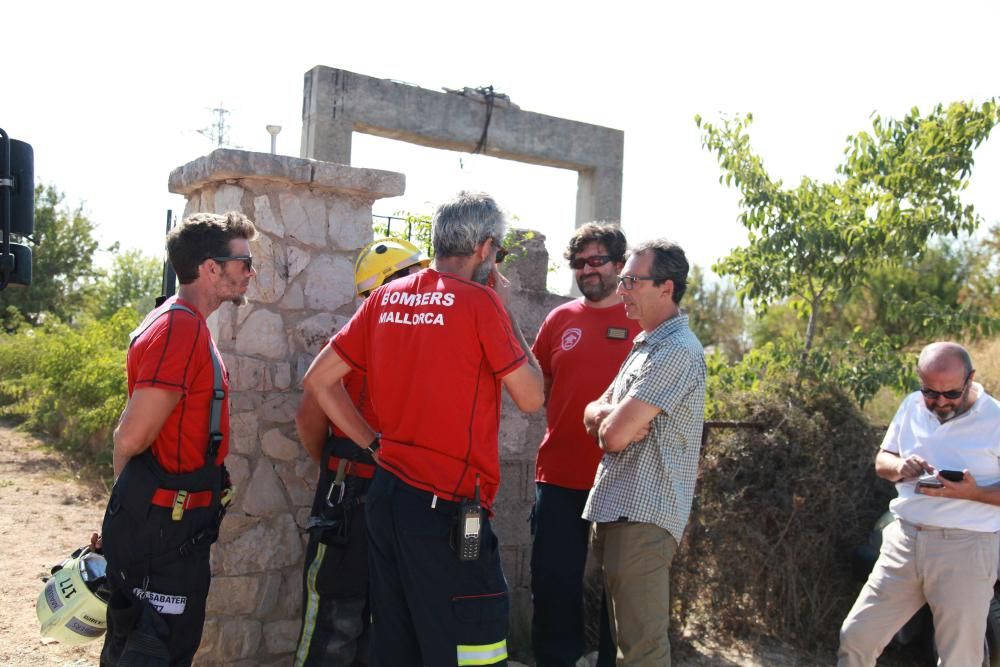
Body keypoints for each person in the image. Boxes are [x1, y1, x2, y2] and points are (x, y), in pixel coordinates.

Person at [302, 190, 544, 667]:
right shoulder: (481, 303)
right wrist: (506, 310)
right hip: (450, 509)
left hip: (387, 497)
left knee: (398, 643)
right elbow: (532, 395)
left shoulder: (385, 298)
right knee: (473, 643)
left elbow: (318, 381)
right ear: (485, 248)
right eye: (498, 252)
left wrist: (371, 443)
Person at [98, 211, 257, 666]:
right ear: (211, 268)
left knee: (149, 644)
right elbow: (129, 437)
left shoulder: (180, 322)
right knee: (153, 650)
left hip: (172, 525)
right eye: (243, 263)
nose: (250, 272)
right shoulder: (180, 328)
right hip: (163, 529)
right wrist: (128, 518)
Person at [293, 237, 430, 666]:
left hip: (389, 498)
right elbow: (308, 418)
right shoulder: (346, 347)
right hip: (349, 502)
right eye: (414, 276)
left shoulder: (424, 347)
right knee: (335, 617)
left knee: (383, 622)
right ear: (388, 286)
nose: (423, 285)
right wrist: (340, 466)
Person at [582, 239, 706, 667]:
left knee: (642, 652)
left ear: (666, 287)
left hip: (644, 517)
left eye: (632, 281)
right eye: (623, 280)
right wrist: (612, 417)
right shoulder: (648, 345)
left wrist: (611, 421)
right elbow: (591, 414)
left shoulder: (674, 350)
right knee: (626, 647)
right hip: (623, 512)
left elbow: (611, 437)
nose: (623, 290)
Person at [837, 342, 1000, 667]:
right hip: (904, 541)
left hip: (966, 547)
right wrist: (900, 468)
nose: (940, 402)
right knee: (857, 636)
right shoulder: (911, 405)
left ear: (970, 379)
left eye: (951, 394)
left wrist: (973, 493)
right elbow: (883, 459)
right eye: (931, 392)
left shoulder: (995, 418)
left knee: (960, 657)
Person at [529, 223, 639, 667]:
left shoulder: (642, 322)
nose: (587, 270)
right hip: (558, 475)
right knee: (553, 584)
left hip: (624, 476)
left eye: (597, 261)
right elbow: (541, 386)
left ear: (619, 264)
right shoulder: (559, 319)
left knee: (621, 589)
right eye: (579, 263)